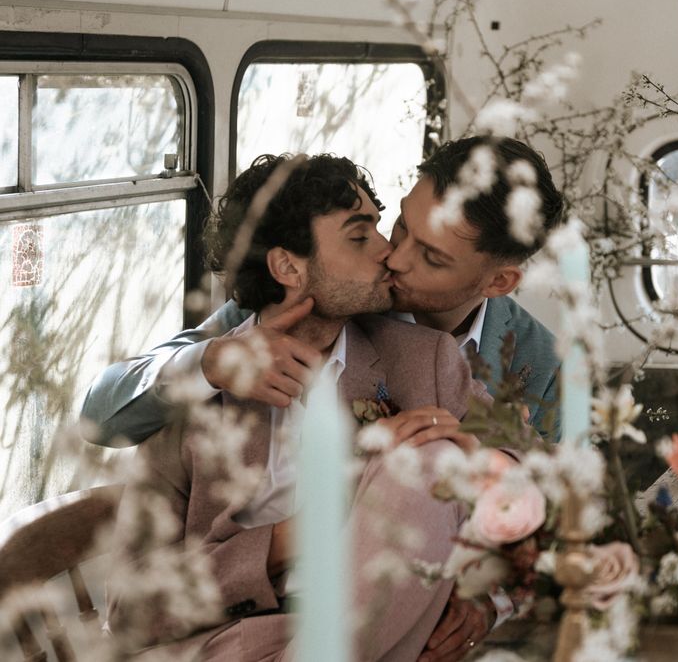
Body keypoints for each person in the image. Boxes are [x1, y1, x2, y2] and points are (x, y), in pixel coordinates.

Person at [106, 153, 490, 661]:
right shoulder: (196, 398)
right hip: (242, 641)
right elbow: (131, 610)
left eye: (379, 227)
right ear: (288, 266)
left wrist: (486, 599)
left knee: (429, 460)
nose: (388, 253)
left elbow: (530, 489)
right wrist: (296, 535)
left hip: (393, 627)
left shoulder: (428, 363)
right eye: (359, 237)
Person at [82, 136, 563, 449]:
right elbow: (102, 415)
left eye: (431, 257)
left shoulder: (541, 367)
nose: (393, 257)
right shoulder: (318, 303)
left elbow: (552, 519)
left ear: (497, 282)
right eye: (400, 225)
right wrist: (209, 361)